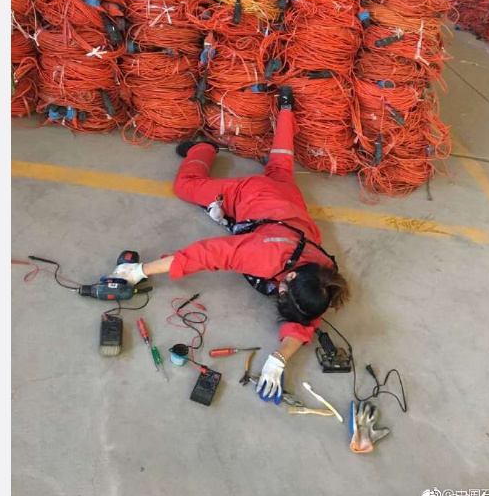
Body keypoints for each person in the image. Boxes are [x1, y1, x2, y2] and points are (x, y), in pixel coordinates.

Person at [112, 87, 349, 403]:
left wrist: (279, 359)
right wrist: (140, 270)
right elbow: (204, 255)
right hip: (252, 194)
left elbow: (307, 318)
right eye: (282, 291)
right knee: (185, 186)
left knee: (281, 165)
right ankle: (203, 150)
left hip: (288, 201)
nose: (278, 294)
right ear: (291, 275)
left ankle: (286, 109)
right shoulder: (263, 257)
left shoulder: (324, 278)